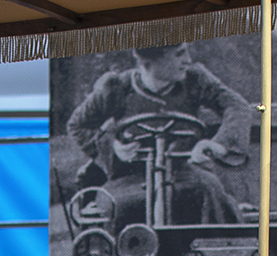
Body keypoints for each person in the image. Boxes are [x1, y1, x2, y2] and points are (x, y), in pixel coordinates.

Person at [67, 43, 252, 225]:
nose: (187, 60)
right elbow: (77, 125)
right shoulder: (116, 88)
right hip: (129, 179)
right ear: (149, 63)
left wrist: (216, 144)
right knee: (112, 209)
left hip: (187, 171)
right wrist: (112, 146)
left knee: (211, 194)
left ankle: (226, 251)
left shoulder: (194, 80)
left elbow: (237, 106)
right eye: (179, 54)